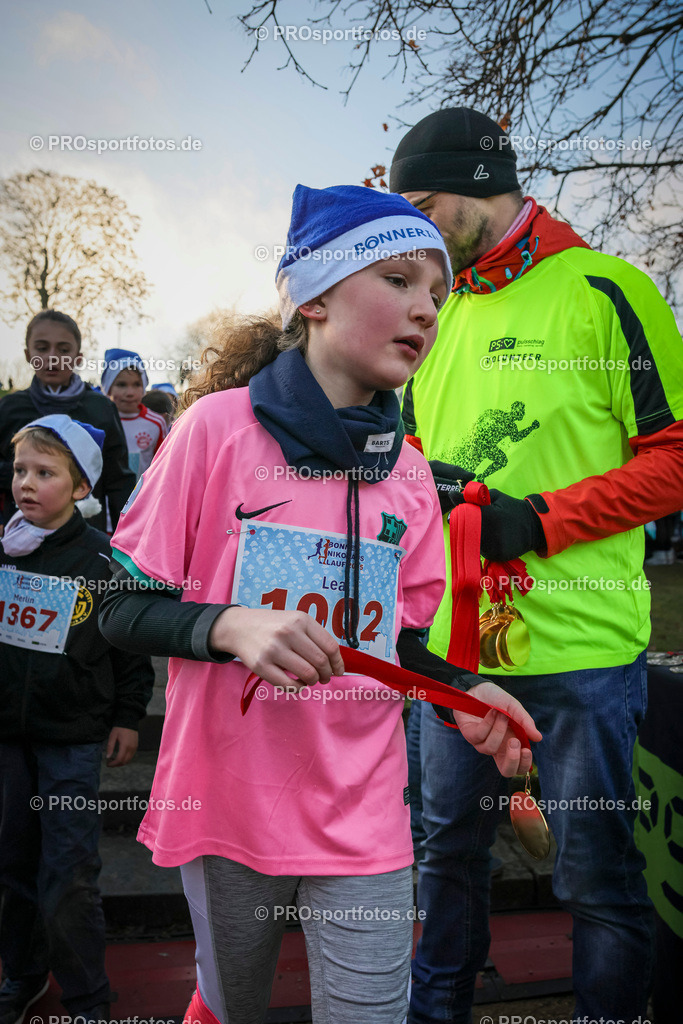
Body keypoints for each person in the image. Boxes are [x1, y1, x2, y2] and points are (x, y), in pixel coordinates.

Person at [98, 183, 541, 1024]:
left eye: (437, 295)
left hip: (365, 810)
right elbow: (118, 607)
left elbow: (397, 644)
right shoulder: (214, 431)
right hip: (227, 800)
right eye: (400, 281)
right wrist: (228, 623)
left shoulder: (410, 472)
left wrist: (461, 693)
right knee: (234, 1008)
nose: (426, 311)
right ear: (315, 296)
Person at [389, 106, 683, 1023]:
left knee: (592, 872)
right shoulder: (434, 315)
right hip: (456, 655)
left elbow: (673, 453)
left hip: (581, 651)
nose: (415, 228)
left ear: (480, 185)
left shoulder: (604, 288)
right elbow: (419, 475)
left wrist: (540, 520)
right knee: (445, 852)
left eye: (424, 204)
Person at [0, 414, 154, 1024]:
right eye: (20, 471)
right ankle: (24, 976)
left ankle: (88, 996)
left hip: (74, 738)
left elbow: (129, 644)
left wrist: (126, 716)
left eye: (45, 472)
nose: (27, 484)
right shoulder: (4, 549)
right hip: (9, 739)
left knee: (68, 874)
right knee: (12, 864)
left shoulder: (102, 559)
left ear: (82, 487)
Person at [0, 311, 135, 533]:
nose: (53, 357)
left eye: (63, 350)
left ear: (78, 357)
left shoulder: (101, 408)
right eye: (42, 348)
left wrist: (127, 539)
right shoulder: (10, 408)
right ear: (27, 354)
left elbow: (118, 479)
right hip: (18, 535)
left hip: (85, 538)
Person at [101, 348, 167, 479]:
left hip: (142, 497)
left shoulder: (156, 423)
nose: (130, 392)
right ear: (108, 388)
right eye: (121, 385)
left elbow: (163, 468)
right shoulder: (98, 421)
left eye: (137, 384)